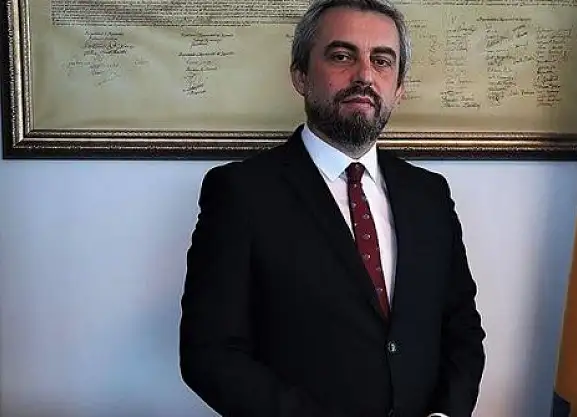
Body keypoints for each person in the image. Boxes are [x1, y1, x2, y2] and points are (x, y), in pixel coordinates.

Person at [179, 1, 486, 416]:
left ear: (399, 88)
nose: (364, 76)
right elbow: (210, 352)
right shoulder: (241, 192)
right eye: (342, 56)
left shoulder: (429, 195)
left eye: (382, 61)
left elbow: (462, 329)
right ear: (300, 76)